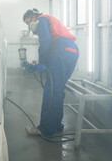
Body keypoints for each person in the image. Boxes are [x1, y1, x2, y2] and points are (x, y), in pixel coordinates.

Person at [22, 8, 79, 136]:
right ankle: (57, 125)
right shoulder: (50, 21)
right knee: (57, 90)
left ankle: (45, 129)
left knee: (51, 90)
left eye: (27, 22)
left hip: (61, 48)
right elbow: (50, 46)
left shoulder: (41, 20)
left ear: (33, 17)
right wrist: (38, 65)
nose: (29, 26)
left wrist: (42, 62)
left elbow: (46, 42)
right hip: (73, 50)